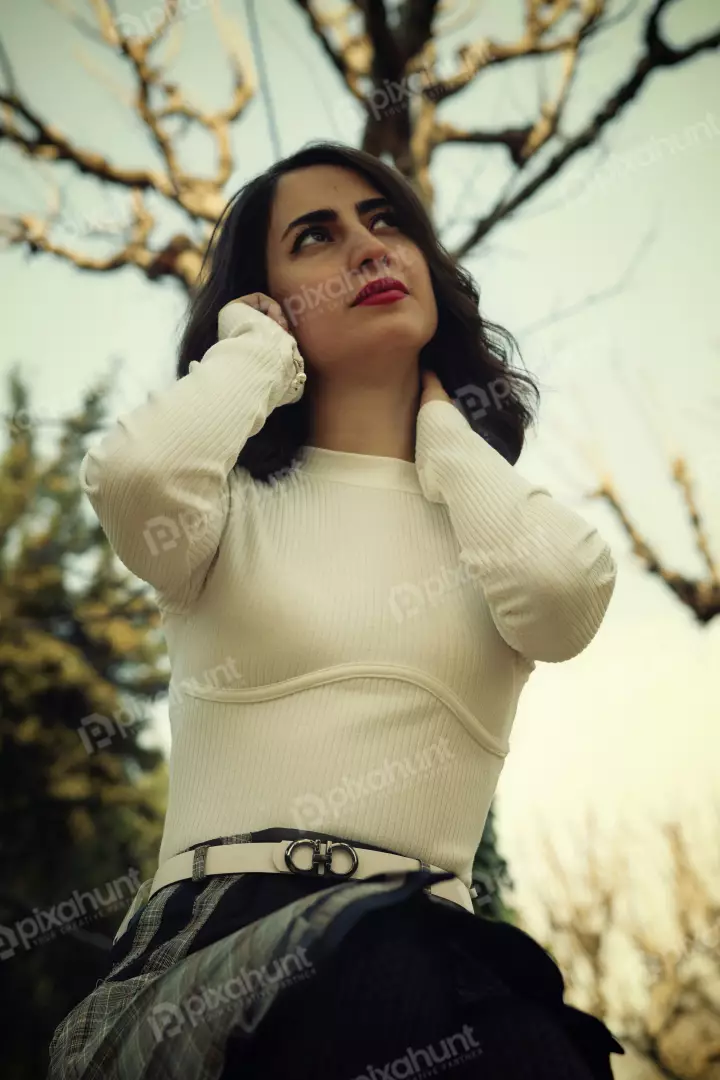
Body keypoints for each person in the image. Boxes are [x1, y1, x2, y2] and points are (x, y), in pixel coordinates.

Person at [48, 141, 624, 1079]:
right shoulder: (222, 513)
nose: (367, 248)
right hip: (218, 962)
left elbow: (564, 599)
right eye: (316, 236)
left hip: (437, 971)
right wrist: (258, 352)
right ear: (263, 296)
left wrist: (447, 439)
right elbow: (138, 474)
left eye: (387, 222)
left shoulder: (490, 525)